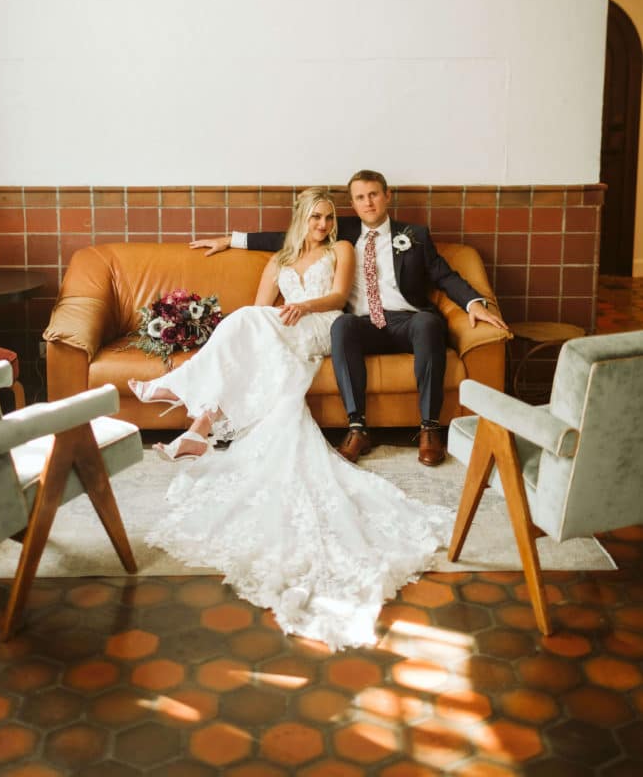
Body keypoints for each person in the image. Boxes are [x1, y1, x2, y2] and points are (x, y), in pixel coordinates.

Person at [130, 187, 453, 650]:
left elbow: (341, 296)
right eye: (316, 218)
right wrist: (238, 248)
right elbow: (259, 311)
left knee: (247, 326)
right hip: (283, 328)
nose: (323, 225)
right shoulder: (277, 261)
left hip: (321, 325)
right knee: (245, 324)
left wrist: (303, 305)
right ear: (301, 218)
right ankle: (199, 428)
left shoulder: (341, 248)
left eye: (328, 218)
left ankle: (178, 392)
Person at [193, 169, 509, 468]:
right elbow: (287, 237)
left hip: (408, 320)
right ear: (353, 203)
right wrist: (231, 240)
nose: (367, 202)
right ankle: (358, 429)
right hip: (363, 323)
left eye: (373, 195)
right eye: (360, 197)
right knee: (342, 325)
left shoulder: (415, 235)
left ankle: (429, 428)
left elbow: (445, 275)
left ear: (387, 196)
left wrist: (474, 302)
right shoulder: (340, 230)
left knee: (429, 323)